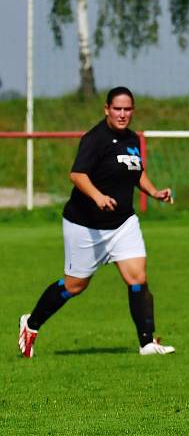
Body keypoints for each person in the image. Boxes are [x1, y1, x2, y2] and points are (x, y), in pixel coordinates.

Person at [18, 87, 176, 358]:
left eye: (128, 109)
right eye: (118, 109)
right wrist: (98, 196)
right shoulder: (95, 139)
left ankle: (147, 343)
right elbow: (77, 175)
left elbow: (136, 172)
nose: (123, 114)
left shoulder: (132, 139)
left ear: (133, 111)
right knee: (75, 285)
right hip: (85, 225)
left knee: (137, 277)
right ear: (107, 109)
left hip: (123, 223)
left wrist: (154, 192)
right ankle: (31, 324)